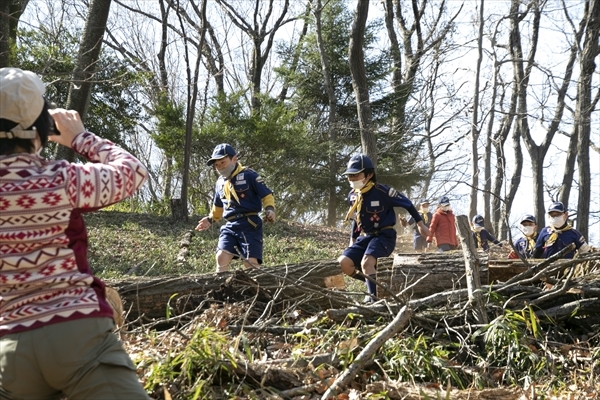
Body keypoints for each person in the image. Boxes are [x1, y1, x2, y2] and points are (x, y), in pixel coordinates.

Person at [0, 68, 149, 399]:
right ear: (42, 127)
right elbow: (133, 173)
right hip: (78, 333)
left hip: (8, 349)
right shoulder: (62, 179)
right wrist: (80, 137)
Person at [338, 154, 430, 302]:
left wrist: (420, 224)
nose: (352, 179)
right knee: (344, 262)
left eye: (356, 175)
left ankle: (373, 298)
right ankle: (378, 283)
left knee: (366, 262)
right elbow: (357, 218)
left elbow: (407, 203)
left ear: (369, 174)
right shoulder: (353, 196)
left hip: (384, 236)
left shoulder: (383, 192)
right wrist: (353, 239)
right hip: (366, 237)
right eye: (349, 175)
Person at [195, 143, 275, 272]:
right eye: (217, 165)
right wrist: (210, 219)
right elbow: (218, 206)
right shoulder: (220, 183)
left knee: (250, 262)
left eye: (223, 162)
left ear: (234, 159)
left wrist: (270, 209)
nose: (220, 167)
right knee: (221, 257)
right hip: (230, 225)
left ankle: (257, 287)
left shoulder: (249, 175)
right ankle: (221, 286)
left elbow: (266, 194)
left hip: (249, 223)